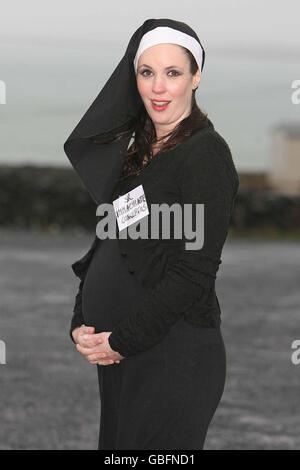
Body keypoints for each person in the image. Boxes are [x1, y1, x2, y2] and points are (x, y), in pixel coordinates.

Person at [64, 18, 239, 450]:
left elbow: (194, 271)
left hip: (173, 355)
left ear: (196, 78)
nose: (158, 87)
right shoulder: (139, 155)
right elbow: (109, 241)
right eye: (147, 73)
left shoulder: (205, 155)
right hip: (124, 357)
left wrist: (122, 339)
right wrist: (81, 320)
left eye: (173, 73)